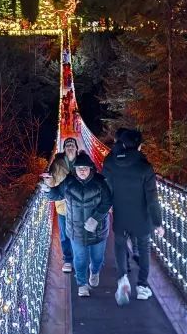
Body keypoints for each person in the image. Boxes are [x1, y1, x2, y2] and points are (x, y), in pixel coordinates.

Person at [102, 128, 164, 305]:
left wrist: (108, 206)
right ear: (138, 146)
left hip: (120, 214)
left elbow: (106, 187)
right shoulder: (145, 167)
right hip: (141, 218)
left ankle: (122, 279)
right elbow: (152, 198)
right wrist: (157, 222)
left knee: (120, 246)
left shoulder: (110, 162)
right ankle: (142, 287)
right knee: (144, 250)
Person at [42, 152, 112, 297]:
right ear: (74, 169)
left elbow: (107, 202)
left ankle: (94, 271)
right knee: (79, 259)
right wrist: (48, 189)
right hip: (76, 230)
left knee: (97, 258)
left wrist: (95, 219)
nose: (82, 171)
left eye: (85, 168)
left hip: (98, 230)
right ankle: (82, 284)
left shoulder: (101, 182)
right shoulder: (68, 181)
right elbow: (57, 194)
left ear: (91, 169)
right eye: (79, 168)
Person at [42, 137, 78, 272]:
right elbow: (52, 183)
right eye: (67, 145)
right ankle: (68, 260)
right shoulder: (57, 163)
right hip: (62, 205)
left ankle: (80, 259)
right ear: (64, 148)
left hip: (80, 206)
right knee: (65, 235)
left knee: (80, 233)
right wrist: (48, 182)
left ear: (76, 147)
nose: (70, 147)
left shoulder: (82, 162)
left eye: (72, 144)